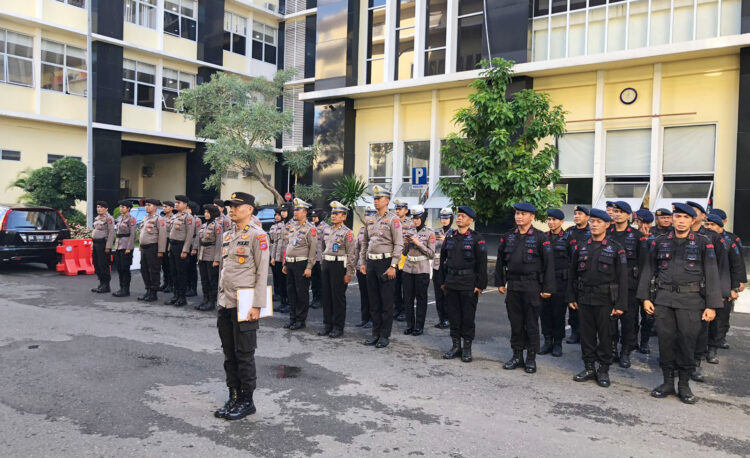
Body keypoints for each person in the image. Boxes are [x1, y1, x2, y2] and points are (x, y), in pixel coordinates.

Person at [638, 203, 721, 404]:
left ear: (693, 220)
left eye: (685, 217)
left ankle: (683, 384)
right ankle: (667, 382)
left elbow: (712, 274)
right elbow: (649, 269)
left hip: (691, 301)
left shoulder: (703, 243)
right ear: (672, 219)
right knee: (666, 341)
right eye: (677, 217)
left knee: (687, 341)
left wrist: (712, 305)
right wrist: (646, 297)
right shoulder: (659, 241)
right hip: (664, 299)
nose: (681, 221)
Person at [214, 192, 269, 421]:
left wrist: (257, 305)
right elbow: (225, 270)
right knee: (229, 354)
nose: (232, 209)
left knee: (244, 354)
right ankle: (234, 395)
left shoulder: (258, 236)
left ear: (250, 209)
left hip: (245, 304)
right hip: (225, 302)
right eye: (230, 206)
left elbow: (262, 272)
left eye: (237, 206)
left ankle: (247, 401)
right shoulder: (228, 235)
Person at [568, 209, 627, 388]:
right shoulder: (581, 245)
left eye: (598, 222)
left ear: (607, 225)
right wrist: (571, 296)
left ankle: (603, 370)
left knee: (606, 336)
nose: (594, 225)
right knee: (586, 336)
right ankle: (588, 367)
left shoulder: (616, 248)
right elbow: (572, 274)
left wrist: (620, 304)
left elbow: (623, 278)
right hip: (585, 297)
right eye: (592, 221)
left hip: (606, 300)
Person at [496, 202, 555, 373]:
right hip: (513, 285)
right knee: (515, 323)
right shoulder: (509, 236)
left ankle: (530, 358)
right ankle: (516, 356)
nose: (518, 217)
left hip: (532, 286)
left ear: (532, 217)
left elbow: (548, 265)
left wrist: (547, 288)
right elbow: (500, 260)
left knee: (531, 323)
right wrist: (500, 282)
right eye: (516, 213)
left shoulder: (540, 237)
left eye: (522, 214)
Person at [686, 200, 730, 382]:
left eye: (695, 212)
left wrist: (722, 292)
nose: (691, 215)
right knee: (677, 331)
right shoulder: (674, 237)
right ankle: (675, 362)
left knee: (699, 330)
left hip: (701, 292)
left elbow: (721, 268)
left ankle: (695, 363)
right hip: (678, 292)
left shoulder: (712, 238)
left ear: (703, 216)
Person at [439, 206, 487, 362]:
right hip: (452, 282)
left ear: (470, 220)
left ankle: (467, 348)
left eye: (463, 216)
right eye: (458, 216)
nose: (459, 218)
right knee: (453, 316)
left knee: (467, 317)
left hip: (468, 283)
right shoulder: (450, 236)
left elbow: (482, 264)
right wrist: (442, 281)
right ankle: (455, 346)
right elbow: (443, 260)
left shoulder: (476, 238)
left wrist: (480, 285)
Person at [360, 186, 404, 349]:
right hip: (371, 263)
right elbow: (365, 242)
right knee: (374, 300)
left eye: (379, 198)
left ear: (387, 200)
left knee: (386, 301)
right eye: (375, 198)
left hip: (386, 263)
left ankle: (384, 335)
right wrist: (363, 262)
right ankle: (375, 333)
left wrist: (393, 265)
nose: (376, 200)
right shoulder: (370, 220)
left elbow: (399, 243)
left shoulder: (393, 219)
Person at [704, 213, 744, 364]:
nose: (710, 228)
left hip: (723, 285)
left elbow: (736, 265)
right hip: (707, 286)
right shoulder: (703, 240)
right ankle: (701, 350)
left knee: (719, 320)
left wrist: (734, 287)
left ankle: (712, 349)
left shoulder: (729, 242)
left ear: (721, 227)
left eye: (713, 225)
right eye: (707, 225)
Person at [606, 201, 640, 368]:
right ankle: (612, 349)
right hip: (610, 284)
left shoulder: (637, 236)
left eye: (620, 212)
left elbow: (642, 263)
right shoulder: (607, 233)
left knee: (628, 320)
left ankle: (625, 351)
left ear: (628, 215)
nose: (617, 214)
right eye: (615, 211)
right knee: (610, 319)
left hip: (630, 285)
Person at [318, 201, 357, 338]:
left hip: (339, 266)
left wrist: (349, 273)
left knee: (338, 297)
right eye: (332, 213)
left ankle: (338, 327)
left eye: (337, 213)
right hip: (327, 264)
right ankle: (327, 325)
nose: (333, 216)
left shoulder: (348, 233)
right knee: (327, 296)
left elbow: (351, 254)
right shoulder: (326, 230)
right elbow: (322, 247)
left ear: (344, 217)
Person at [282, 198, 317, 330]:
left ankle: (300, 320)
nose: (295, 212)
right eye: (295, 209)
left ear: (305, 212)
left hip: (301, 264)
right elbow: (288, 246)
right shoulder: (292, 227)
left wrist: (309, 267)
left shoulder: (310, 229)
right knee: (291, 292)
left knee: (301, 292)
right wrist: (285, 263)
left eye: (298, 210)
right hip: (290, 263)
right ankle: (292, 318)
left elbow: (313, 250)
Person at [402, 205, 436, 336]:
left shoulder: (429, 233)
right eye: (413, 218)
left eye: (417, 218)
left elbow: (431, 254)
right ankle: (410, 325)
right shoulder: (410, 231)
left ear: (422, 218)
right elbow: (404, 253)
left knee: (421, 298)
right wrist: (406, 243)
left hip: (422, 269)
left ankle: (419, 326)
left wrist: (418, 243)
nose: (415, 221)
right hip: (408, 268)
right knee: (408, 298)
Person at [541, 208, 570, 357]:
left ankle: (557, 343)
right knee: (544, 312)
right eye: (549, 219)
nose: (551, 222)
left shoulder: (568, 238)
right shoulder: (543, 237)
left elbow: (572, 262)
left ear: (561, 222)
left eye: (554, 220)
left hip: (561, 282)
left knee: (558, 313)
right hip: (545, 281)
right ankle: (547, 341)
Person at [564, 205, 591, 344]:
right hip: (572, 273)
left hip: (586, 273)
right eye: (575, 214)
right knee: (572, 304)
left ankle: (585, 333)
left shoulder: (591, 232)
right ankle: (575, 332)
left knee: (586, 306)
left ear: (587, 217)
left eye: (580, 214)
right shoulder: (569, 232)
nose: (576, 216)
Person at [165, 195, 195, 307]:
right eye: (176, 202)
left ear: (185, 204)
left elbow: (189, 235)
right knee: (174, 273)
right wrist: (169, 249)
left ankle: (182, 298)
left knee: (181, 273)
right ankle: (175, 295)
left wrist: (185, 250)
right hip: (173, 246)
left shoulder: (189, 217)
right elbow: (171, 234)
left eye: (179, 202)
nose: (176, 204)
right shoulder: (175, 216)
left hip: (181, 247)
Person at [137, 198, 167, 302]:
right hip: (145, 248)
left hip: (153, 247)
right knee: (144, 269)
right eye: (146, 205)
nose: (146, 207)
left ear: (155, 207)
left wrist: (161, 251)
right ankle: (148, 290)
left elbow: (162, 236)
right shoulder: (146, 218)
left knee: (153, 270)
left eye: (149, 205)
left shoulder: (159, 219)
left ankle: (153, 293)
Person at [635, 208, 656, 354]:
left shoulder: (655, 238)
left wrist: (646, 240)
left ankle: (644, 342)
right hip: (633, 280)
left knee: (648, 316)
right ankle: (631, 341)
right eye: (642, 222)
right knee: (630, 316)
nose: (644, 226)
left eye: (647, 223)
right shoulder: (633, 236)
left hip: (649, 282)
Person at [195, 204, 223, 312]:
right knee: (204, 279)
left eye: (208, 212)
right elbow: (200, 242)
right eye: (205, 212)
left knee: (212, 280)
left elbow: (219, 243)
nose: (206, 214)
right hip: (202, 256)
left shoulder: (217, 226)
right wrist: (198, 256)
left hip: (211, 256)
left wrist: (217, 259)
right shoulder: (203, 225)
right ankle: (205, 299)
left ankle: (212, 302)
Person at [354, 205, 376, 329]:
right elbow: (357, 248)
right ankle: (365, 318)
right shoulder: (362, 229)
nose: (368, 216)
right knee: (364, 294)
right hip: (360, 266)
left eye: (370, 214)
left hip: (372, 266)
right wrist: (354, 264)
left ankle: (373, 319)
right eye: (367, 214)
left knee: (372, 294)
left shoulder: (377, 230)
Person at [432, 207, 453, 329]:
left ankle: (450, 319)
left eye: (447, 218)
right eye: (442, 218)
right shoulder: (436, 232)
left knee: (449, 294)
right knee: (438, 294)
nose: (444, 220)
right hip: (437, 265)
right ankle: (442, 318)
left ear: (451, 218)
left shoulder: (454, 233)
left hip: (449, 266)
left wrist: (446, 240)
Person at [392, 199, 413, 322]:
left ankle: (405, 311)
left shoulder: (410, 224)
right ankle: (397, 309)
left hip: (405, 259)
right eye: (396, 209)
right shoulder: (392, 222)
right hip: (395, 258)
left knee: (406, 288)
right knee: (395, 286)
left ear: (406, 210)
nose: (397, 211)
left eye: (400, 209)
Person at [112, 200, 137, 297]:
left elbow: (132, 234)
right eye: (120, 207)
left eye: (123, 207)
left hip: (126, 245)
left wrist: (129, 247)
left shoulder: (131, 219)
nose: (121, 209)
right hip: (119, 245)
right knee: (119, 268)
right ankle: (121, 287)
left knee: (125, 268)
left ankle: (126, 289)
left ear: (128, 208)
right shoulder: (119, 218)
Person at [271, 204, 292, 313]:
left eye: (285, 211)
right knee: (280, 281)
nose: (283, 213)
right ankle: (283, 302)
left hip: (287, 257)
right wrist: (273, 257)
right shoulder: (280, 225)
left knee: (287, 282)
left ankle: (289, 303)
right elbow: (275, 242)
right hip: (278, 257)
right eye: (282, 211)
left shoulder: (292, 224)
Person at [91, 201, 115, 293]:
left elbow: (111, 233)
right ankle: (101, 283)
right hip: (96, 243)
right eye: (97, 207)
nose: (99, 209)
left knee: (103, 264)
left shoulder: (109, 219)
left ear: (106, 209)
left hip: (103, 244)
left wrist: (108, 246)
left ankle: (106, 285)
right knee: (96, 264)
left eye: (101, 207)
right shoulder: (97, 218)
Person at [311, 209, 329, 310]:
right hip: (313, 258)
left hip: (321, 258)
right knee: (314, 280)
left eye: (315, 217)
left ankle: (321, 300)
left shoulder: (325, 227)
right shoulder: (311, 226)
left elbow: (325, 244)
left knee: (321, 280)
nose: (314, 218)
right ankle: (315, 298)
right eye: (313, 217)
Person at [186, 201, 201, 298]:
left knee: (192, 268)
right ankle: (187, 287)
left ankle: (193, 288)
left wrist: (195, 248)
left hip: (192, 246)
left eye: (188, 208)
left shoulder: (197, 220)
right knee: (186, 268)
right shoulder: (186, 219)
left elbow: (198, 235)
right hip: (186, 245)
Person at [159, 201, 175, 293]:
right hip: (163, 241)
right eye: (163, 207)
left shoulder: (174, 218)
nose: (164, 208)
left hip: (170, 241)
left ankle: (171, 284)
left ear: (171, 208)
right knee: (164, 264)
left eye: (166, 207)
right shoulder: (162, 218)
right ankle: (165, 283)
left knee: (170, 264)